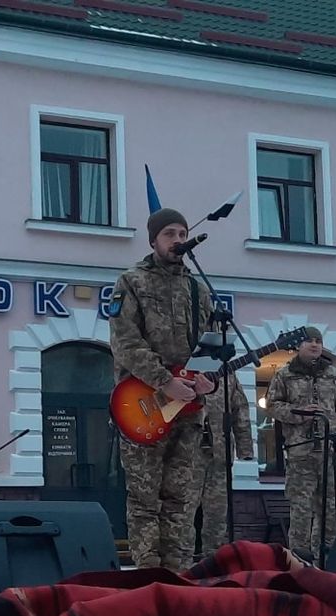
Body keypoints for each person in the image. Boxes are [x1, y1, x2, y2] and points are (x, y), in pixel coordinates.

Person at [110, 207, 217, 570]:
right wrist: (165, 381)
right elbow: (126, 342)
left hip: (188, 407)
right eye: (169, 233)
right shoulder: (131, 281)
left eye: (182, 233)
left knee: (180, 497)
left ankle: (178, 571)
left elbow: (207, 345)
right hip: (144, 401)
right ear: (153, 239)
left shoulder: (197, 289)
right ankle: (148, 573)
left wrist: (207, 379)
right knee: (145, 497)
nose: (178, 240)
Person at [264, 329, 336, 560]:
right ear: (299, 345)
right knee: (301, 510)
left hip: (332, 452)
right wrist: (298, 414)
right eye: (309, 341)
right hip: (301, 452)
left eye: (318, 341)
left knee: (331, 511)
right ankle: (299, 562)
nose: (315, 345)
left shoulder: (333, 375)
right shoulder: (285, 375)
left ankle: (327, 561)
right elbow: (271, 405)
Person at [195, 382, 254, 556]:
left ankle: (212, 558)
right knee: (181, 511)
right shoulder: (181, 366)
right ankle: (179, 561)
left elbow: (240, 410)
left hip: (219, 453)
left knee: (217, 511)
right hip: (185, 454)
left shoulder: (226, 374)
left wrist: (245, 449)